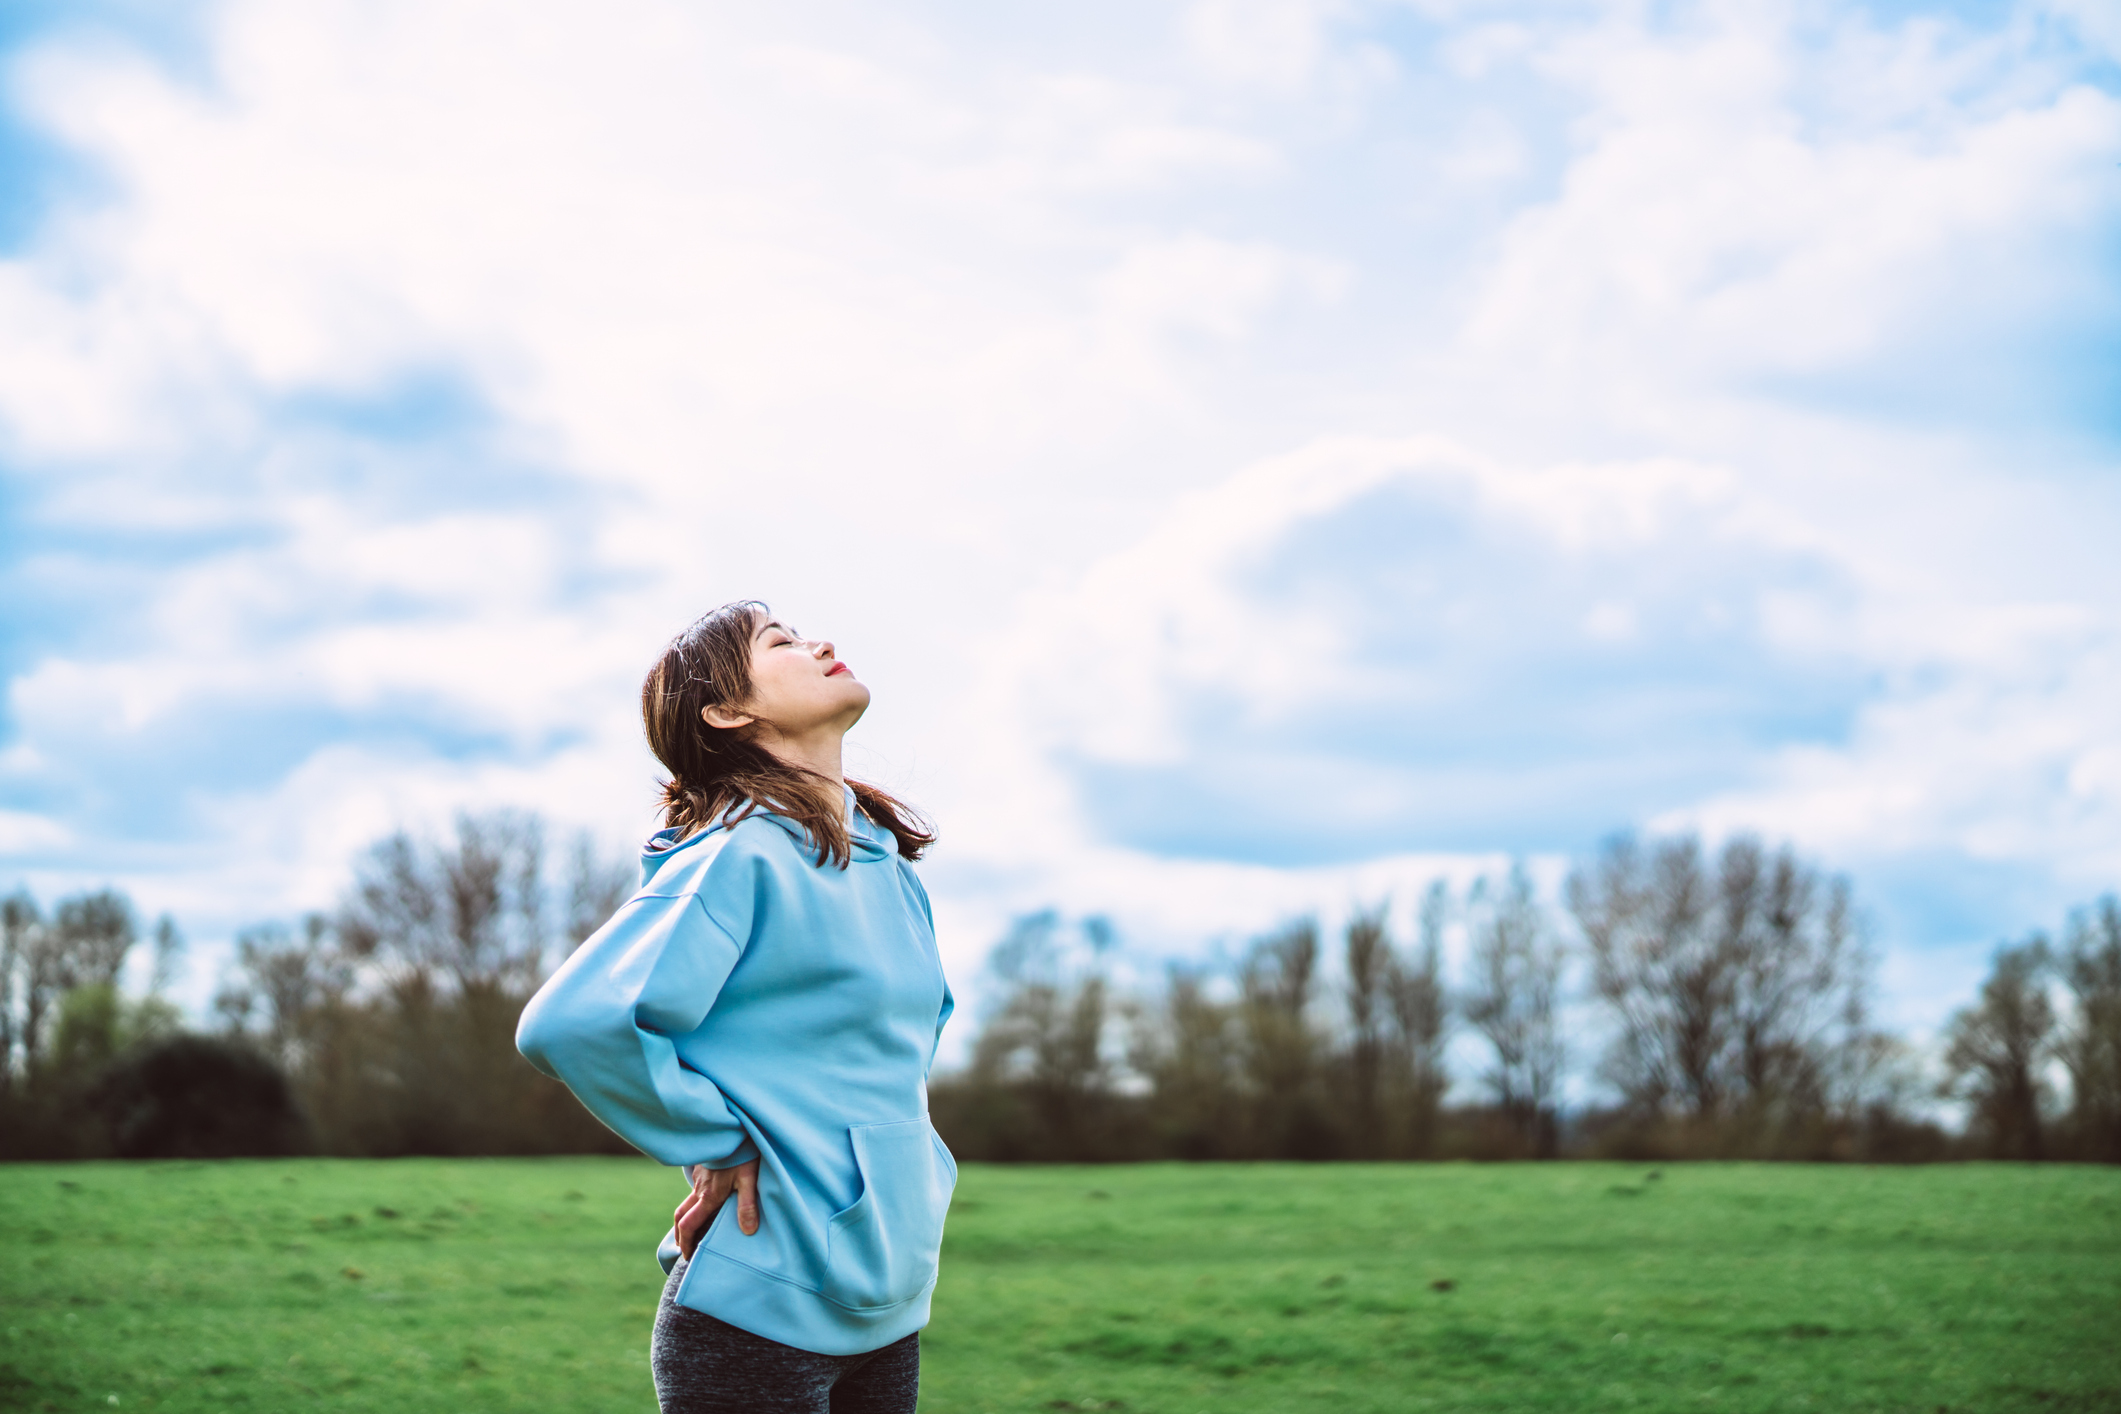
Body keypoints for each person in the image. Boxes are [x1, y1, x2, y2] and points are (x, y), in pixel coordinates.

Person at [517, 601, 955, 1414]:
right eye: (781, 642)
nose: (821, 641)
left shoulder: (886, 863)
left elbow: (904, 1050)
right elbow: (572, 1022)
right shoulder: (742, 851)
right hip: (758, 1308)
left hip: (886, 1298)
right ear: (727, 711)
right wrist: (711, 1138)